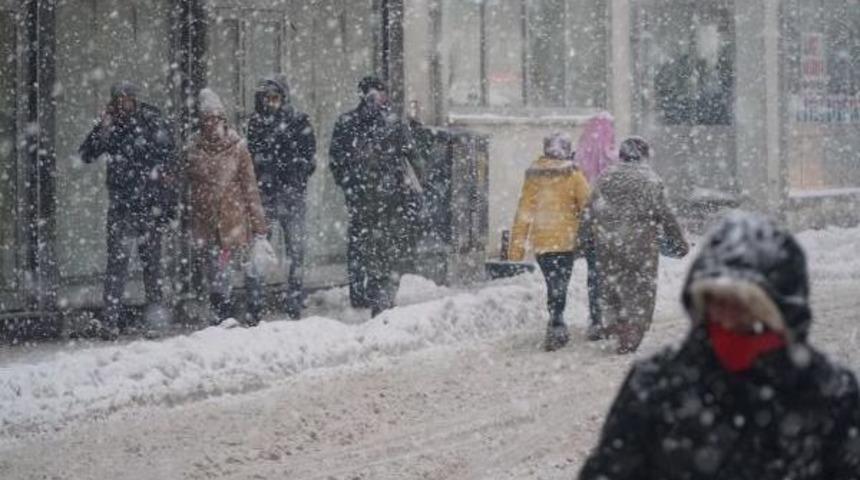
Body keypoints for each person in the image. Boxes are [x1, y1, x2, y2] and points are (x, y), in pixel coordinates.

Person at [579, 212, 860, 479]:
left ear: (780, 312)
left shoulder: (829, 393)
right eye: (717, 302)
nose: (727, 318)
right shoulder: (656, 384)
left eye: (746, 307)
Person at [79, 81, 178, 339]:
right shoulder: (112, 126)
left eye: (128, 99)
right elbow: (86, 154)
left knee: (152, 268)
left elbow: (169, 160)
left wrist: (166, 202)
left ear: (135, 99)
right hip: (122, 208)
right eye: (119, 100)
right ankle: (111, 322)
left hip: (148, 208)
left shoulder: (151, 121)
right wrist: (103, 128)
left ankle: (154, 323)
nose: (124, 104)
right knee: (117, 268)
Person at [579, 136, 688, 353]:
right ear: (645, 155)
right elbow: (666, 215)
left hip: (608, 244)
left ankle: (617, 325)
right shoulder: (651, 180)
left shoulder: (605, 177)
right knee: (640, 289)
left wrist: (584, 239)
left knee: (612, 285)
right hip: (641, 245)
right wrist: (679, 242)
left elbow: (589, 211)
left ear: (621, 155)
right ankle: (633, 330)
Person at [329, 76, 421, 316]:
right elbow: (337, 161)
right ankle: (366, 295)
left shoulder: (392, 123)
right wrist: (350, 186)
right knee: (366, 246)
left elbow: (413, 156)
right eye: (372, 93)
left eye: (379, 93)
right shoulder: (349, 123)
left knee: (382, 247)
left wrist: (415, 185)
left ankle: (379, 297)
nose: (376, 98)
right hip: (366, 198)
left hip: (388, 199)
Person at [186, 88, 269, 326]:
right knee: (218, 275)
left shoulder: (238, 147)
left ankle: (254, 312)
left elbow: (250, 187)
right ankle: (223, 316)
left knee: (248, 269)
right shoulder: (193, 149)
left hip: (235, 223)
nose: (211, 123)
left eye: (215, 118)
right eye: (206, 119)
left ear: (223, 119)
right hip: (207, 224)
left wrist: (259, 226)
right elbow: (187, 186)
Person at [508, 133, 590, 351]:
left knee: (553, 282)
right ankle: (557, 322)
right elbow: (587, 207)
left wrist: (516, 247)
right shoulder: (574, 175)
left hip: (543, 242)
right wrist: (590, 234)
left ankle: (556, 320)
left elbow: (524, 212)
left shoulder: (534, 175)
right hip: (566, 242)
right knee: (560, 282)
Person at [247, 75, 316, 319]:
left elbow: (310, 159)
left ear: (283, 99)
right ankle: (255, 304)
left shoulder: (298, 121)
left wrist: (294, 174)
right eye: (267, 98)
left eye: (275, 98)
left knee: (296, 251)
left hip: (290, 194)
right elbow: (251, 157)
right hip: (266, 196)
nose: (271, 103)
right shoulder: (256, 123)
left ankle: (294, 301)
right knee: (259, 250)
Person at [574, 112, 618, 341]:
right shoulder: (614, 158)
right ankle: (611, 317)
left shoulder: (578, 157)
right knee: (611, 272)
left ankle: (596, 319)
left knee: (594, 273)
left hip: (588, 222)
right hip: (611, 225)